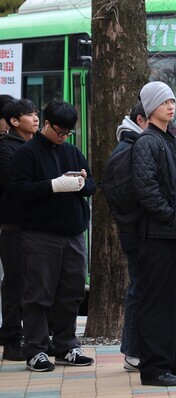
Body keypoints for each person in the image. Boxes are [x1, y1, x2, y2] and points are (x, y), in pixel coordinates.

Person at [9, 99, 96, 372]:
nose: (64, 137)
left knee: (71, 292)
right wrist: (53, 186)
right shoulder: (26, 153)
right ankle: (35, 349)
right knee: (39, 293)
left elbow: (92, 184)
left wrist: (82, 183)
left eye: (69, 133)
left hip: (73, 233)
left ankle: (67, 345)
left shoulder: (72, 151)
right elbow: (17, 191)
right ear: (46, 124)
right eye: (60, 131)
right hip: (39, 234)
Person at [132, 81, 176, 387]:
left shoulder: (169, 140)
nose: (171, 105)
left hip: (172, 235)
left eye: (172, 101)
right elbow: (146, 189)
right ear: (150, 108)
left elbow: (167, 184)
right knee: (158, 303)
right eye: (164, 102)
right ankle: (154, 368)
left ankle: (171, 359)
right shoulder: (148, 142)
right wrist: (170, 214)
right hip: (157, 236)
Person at [0, 99, 38, 361]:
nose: (35, 118)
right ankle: (11, 339)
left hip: (37, 226)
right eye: (29, 114)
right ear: (14, 121)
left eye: (36, 113)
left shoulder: (36, 146)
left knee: (34, 283)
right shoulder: (5, 148)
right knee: (16, 282)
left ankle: (31, 336)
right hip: (14, 225)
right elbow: (16, 183)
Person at [113, 102, 148, 372]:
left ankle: (137, 350)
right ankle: (133, 352)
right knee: (140, 290)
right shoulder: (130, 150)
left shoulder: (132, 146)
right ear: (141, 119)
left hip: (139, 231)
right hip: (139, 233)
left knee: (142, 289)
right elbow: (132, 196)